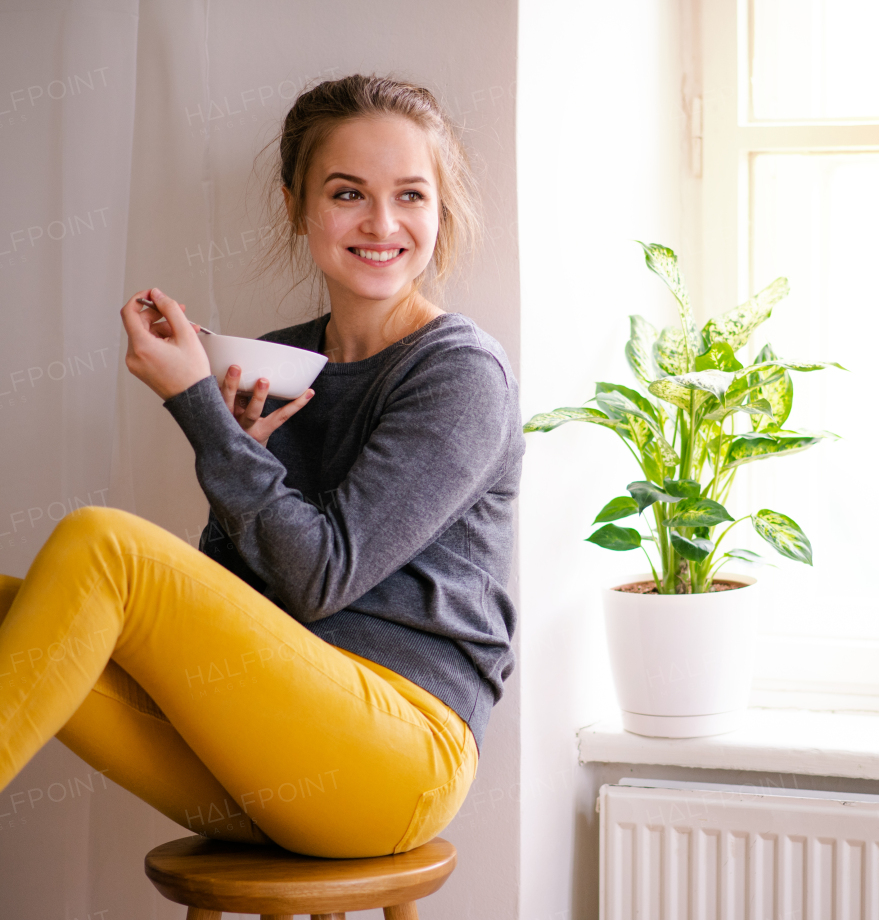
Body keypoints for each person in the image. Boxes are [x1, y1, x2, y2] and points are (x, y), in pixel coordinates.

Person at [0, 75, 523, 859]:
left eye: (411, 195)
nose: (383, 223)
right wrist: (240, 450)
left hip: (396, 759)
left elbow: (321, 579)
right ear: (297, 206)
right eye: (348, 193)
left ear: (440, 209)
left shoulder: (459, 374)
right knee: (9, 607)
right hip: (263, 759)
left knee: (101, 544)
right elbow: (239, 596)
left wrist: (201, 415)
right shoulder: (284, 360)